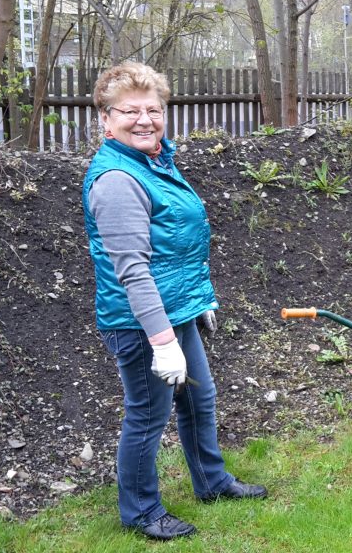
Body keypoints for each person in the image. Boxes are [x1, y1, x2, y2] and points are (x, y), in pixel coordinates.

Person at [82, 62, 267, 541]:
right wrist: (162, 342)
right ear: (106, 119)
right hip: (141, 321)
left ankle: (211, 482)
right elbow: (133, 272)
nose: (145, 120)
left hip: (175, 309)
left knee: (199, 398)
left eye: (154, 110)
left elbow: (176, 245)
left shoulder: (155, 162)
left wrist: (196, 300)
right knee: (148, 414)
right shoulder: (118, 180)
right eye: (131, 111)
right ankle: (141, 511)